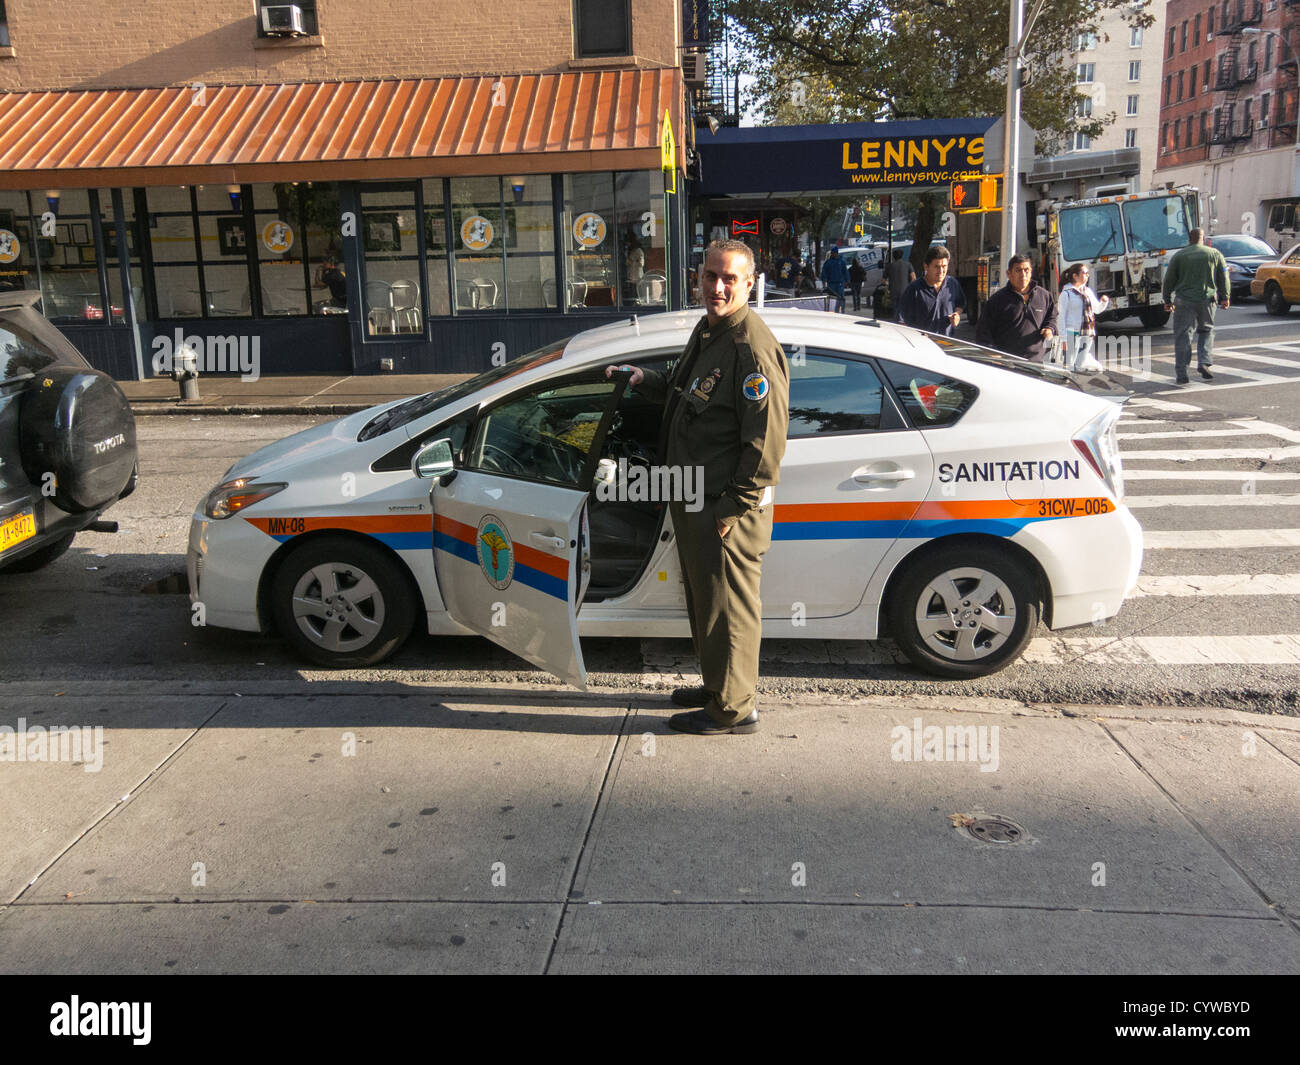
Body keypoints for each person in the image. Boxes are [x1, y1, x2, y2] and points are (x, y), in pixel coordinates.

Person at [605, 239, 789, 736]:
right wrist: (646, 378)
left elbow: (765, 445)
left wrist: (731, 510)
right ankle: (719, 686)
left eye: (730, 278)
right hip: (695, 498)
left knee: (729, 608)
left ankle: (733, 710)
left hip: (723, 507)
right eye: (711, 276)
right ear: (699, 277)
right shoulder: (711, 331)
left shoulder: (749, 347)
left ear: (749, 284)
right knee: (708, 603)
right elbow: (690, 391)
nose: (718, 286)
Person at [1162, 227, 1229, 384]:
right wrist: (1225, 297)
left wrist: (1167, 300)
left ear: (1189, 239)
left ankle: (1182, 373)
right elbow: (1223, 277)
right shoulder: (1215, 254)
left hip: (1184, 300)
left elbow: (1169, 280)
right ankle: (1204, 362)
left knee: (1183, 335)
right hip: (1207, 299)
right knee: (1206, 330)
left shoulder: (1179, 255)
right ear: (1203, 238)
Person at [976, 254, 1059, 360]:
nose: (1023, 274)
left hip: (1038, 362)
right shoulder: (997, 300)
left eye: (1026, 270)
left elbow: (1052, 317)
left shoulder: (1044, 296)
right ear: (1009, 274)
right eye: (1018, 270)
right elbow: (983, 332)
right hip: (1008, 363)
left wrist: (1050, 328)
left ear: (1031, 272)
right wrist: (993, 354)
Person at [895, 245, 966, 336]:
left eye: (944, 266)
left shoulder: (952, 284)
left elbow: (960, 303)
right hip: (923, 346)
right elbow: (901, 321)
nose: (941, 271)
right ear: (926, 266)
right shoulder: (914, 289)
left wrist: (957, 314)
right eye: (936, 266)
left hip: (946, 344)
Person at [1058, 262, 1109, 371]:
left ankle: (1087, 365)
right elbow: (1061, 316)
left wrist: (1104, 302)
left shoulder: (1087, 291)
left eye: (1087, 273)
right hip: (1072, 332)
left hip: (1087, 332)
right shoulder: (1066, 293)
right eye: (1084, 273)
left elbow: (1097, 310)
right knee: (1070, 364)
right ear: (1075, 276)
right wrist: (1063, 338)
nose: (1087, 276)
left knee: (1080, 364)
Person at [885, 247, 915, 313]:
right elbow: (913, 278)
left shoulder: (889, 266)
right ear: (902, 255)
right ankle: (901, 320)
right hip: (905, 290)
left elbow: (883, 280)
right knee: (904, 307)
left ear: (893, 256)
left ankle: (896, 319)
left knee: (895, 307)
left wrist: (888, 285)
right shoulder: (908, 264)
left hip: (893, 290)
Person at [820, 246, 848, 313]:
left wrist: (847, 280)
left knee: (841, 298)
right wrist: (824, 281)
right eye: (833, 253)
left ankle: (841, 310)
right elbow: (824, 272)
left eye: (835, 253)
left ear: (837, 253)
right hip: (831, 284)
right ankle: (833, 310)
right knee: (832, 298)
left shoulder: (841, 262)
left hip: (839, 283)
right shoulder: (828, 262)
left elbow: (845, 272)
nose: (834, 254)